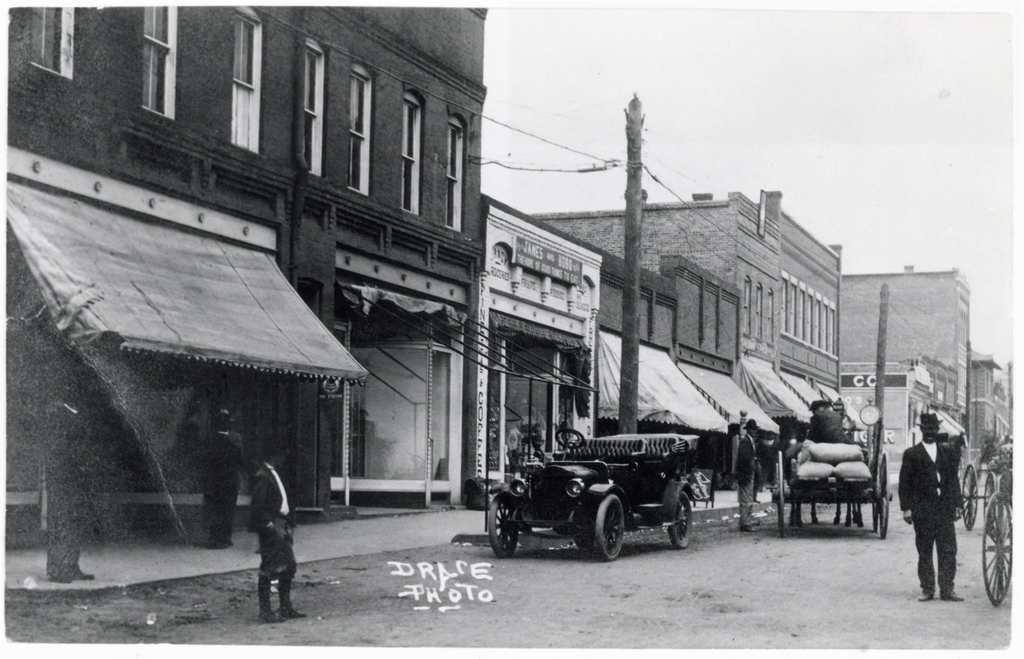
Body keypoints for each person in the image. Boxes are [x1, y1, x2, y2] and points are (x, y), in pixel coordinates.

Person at [899, 413, 964, 602]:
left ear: (937, 430)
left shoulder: (947, 452)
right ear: (921, 430)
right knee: (925, 551)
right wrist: (906, 508)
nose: (929, 433)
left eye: (933, 429)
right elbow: (904, 483)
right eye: (926, 429)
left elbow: (953, 480)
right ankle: (927, 589)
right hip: (923, 510)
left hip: (944, 510)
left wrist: (958, 504)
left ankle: (947, 589)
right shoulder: (911, 454)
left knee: (948, 551)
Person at [249, 443, 306, 623]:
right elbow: (257, 507)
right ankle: (268, 611)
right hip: (274, 525)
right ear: (275, 456)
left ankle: (283, 608)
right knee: (270, 567)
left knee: (286, 566)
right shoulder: (264, 476)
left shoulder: (269, 474)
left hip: (280, 523)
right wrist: (270, 526)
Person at [202, 408, 244, 549]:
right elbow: (240, 460)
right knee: (228, 509)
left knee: (215, 510)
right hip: (230, 480)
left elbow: (205, 461)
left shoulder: (210, 439)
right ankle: (225, 537)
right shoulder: (235, 438)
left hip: (215, 481)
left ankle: (216, 538)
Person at [732, 414, 757, 532]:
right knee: (746, 500)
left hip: (747, 474)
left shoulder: (748, 441)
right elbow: (744, 459)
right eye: (753, 429)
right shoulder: (746, 442)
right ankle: (745, 523)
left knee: (747, 499)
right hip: (746, 474)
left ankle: (746, 521)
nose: (755, 432)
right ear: (749, 430)